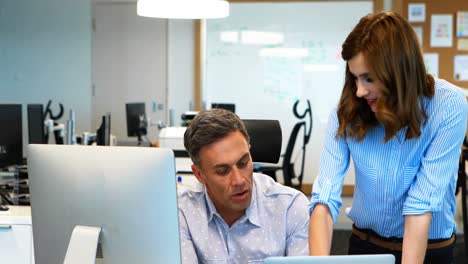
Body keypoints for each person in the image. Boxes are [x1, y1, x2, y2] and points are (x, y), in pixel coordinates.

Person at [308, 11, 468, 264]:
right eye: (354, 77)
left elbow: (420, 205)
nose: (359, 91)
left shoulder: (448, 105)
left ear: (398, 71)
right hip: (366, 246)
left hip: (428, 249)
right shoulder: (347, 111)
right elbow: (324, 198)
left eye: (369, 78)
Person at [179, 109, 310, 264]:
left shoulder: (291, 208)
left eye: (243, 163)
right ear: (199, 175)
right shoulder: (183, 211)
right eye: (223, 171)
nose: (239, 180)